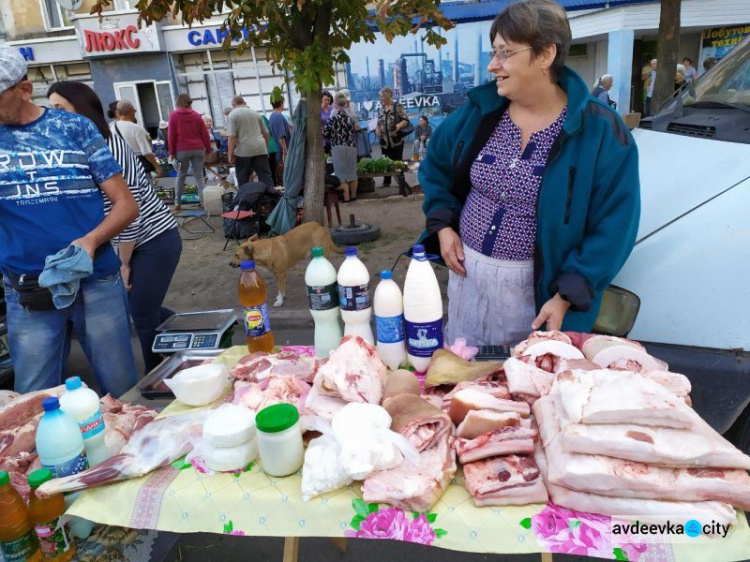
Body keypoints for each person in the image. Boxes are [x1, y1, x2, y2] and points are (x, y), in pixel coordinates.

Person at [418, 0, 640, 345]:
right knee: (464, 378)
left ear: (545, 55)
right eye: (494, 53)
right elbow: (436, 166)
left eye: (505, 53)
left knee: (521, 388)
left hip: (539, 298)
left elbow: (615, 224)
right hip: (469, 281)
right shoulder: (479, 113)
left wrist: (567, 294)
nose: (493, 65)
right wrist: (443, 225)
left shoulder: (600, 132)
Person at [0, 48, 139, 395]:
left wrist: (91, 241)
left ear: (24, 89)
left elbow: (125, 205)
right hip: (28, 287)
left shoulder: (75, 128)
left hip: (96, 279)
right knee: (34, 398)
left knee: (121, 389)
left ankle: (129, 450)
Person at [47, 81, 182, 374]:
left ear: (81, 109)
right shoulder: (72, 146)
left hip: (154, 239)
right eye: (51, 109)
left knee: (141, 313)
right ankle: (197, 340)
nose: (54, 117)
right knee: (145, 306)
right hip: (123, 243)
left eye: (61, 109)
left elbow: (129, 212)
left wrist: (122, 264)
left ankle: (154, 379)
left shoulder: (107, 144)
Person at [168, 93, 212, 210]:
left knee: (181, 175)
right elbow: (204, 134)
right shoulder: (197, 116)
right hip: (198, 148)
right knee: (199, 176)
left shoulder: (174, 115)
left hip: (182, 149)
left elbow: (171, 135)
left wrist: (171, 152)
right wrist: (208, 149)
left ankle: (177, 203)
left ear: (178, 102)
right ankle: (204, 203)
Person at [227, 95, 273, 189]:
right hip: (260, 149)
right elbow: (266, 133)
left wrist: (230, 154)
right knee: (265, 177)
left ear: (233, 104)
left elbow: (232, 137)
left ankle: (246, 201)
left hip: (243, 151)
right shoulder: (255, 113)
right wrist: (265, 148)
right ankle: (271, 200)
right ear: (243, 102)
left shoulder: (232, 115)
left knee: (243, 179)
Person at [323, 93, 360, 202]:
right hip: (351, 146)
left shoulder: (332, 118)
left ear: (335, 104)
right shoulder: (350, 117)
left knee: (341, 175)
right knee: (352, 173)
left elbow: (325, 133)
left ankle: (347, 199)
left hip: (337, 147)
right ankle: (354, 196)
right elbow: (355, 129)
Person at [112, 100, 161, 175]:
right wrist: (157, 167)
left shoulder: (112, 128)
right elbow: (146, 152)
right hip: (140, 166)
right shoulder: (136, 128)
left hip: (124, 166)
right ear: (131, 111)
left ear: (118, 112)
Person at [375, 86, 409, 186]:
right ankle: (386, 182)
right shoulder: (380, 109)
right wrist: (377, 129)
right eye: (380, 97)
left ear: (388, 95)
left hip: (396, 140)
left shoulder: (397, 106)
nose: (381, 98)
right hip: (384, 141)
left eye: (382, 96)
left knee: (397, 161)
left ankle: (401, 182)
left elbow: (406, 120)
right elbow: (378, 122)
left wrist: (398, 125)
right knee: (386, 161)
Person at [268, 95, 292, 164]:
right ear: (281, 103)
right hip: (281, 153)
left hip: (278, 152)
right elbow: (281, 136)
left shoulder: (273, 116)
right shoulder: (277, 117)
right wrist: (285, 151)